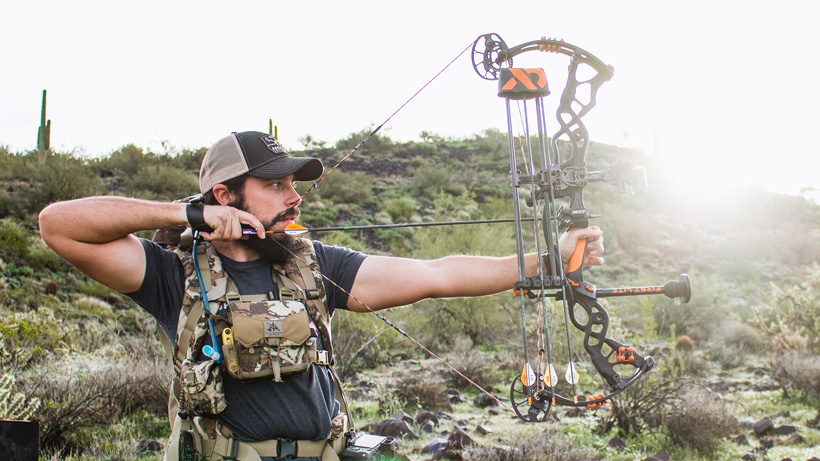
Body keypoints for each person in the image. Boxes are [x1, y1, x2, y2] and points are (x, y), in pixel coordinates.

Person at [38, 130, 604, 461]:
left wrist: (546, 260)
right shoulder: (170, 275)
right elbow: (58, 224)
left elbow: (438, 273)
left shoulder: (315, 265)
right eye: (276, 184)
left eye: (294, 183)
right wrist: (187, 215)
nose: (295, 196)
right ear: (225, 194)